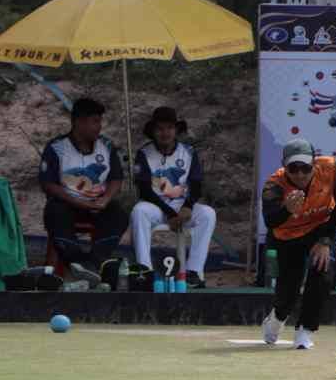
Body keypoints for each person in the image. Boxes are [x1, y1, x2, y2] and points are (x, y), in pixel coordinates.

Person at [260, 139, 336, 349]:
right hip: (287, 237)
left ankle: (305, 331)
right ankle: (276, 319)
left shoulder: (331, 169)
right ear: (284, 167)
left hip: (319, 229)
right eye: (293, 168)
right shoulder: (274, 186)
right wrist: (286, 210)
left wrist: (326, 240)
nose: (300, 174)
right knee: (288, 291)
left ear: (314, 164)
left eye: (305, 168)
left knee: (322, 273)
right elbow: (270, 221)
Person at [40, 97, 129, 281]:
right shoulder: (56, 147)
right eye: (95, 121)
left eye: (100, 121)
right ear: (79, 121)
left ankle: (93, 262)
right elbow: (48, 185)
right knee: (54, 212)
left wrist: (105, 199)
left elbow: (116, 178)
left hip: (98, 204)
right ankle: (76, 262)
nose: (99, 126)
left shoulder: (107, 146)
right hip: (67, 203)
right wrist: (77, 202)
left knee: (119, 213)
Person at [130, 107, 216, 288]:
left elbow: (196, 184)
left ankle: (194, 272)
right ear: (153, 131)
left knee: (208, 214)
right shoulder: (143, 154)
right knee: (138, 211)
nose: (165, 133)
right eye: (160, 128)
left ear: (176, 130)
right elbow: (144, 190)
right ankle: (144, 271)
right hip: (156, 206)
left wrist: (188, 206)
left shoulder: (189, 152)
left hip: (182, 206)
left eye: (169, 128)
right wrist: (169, 213)